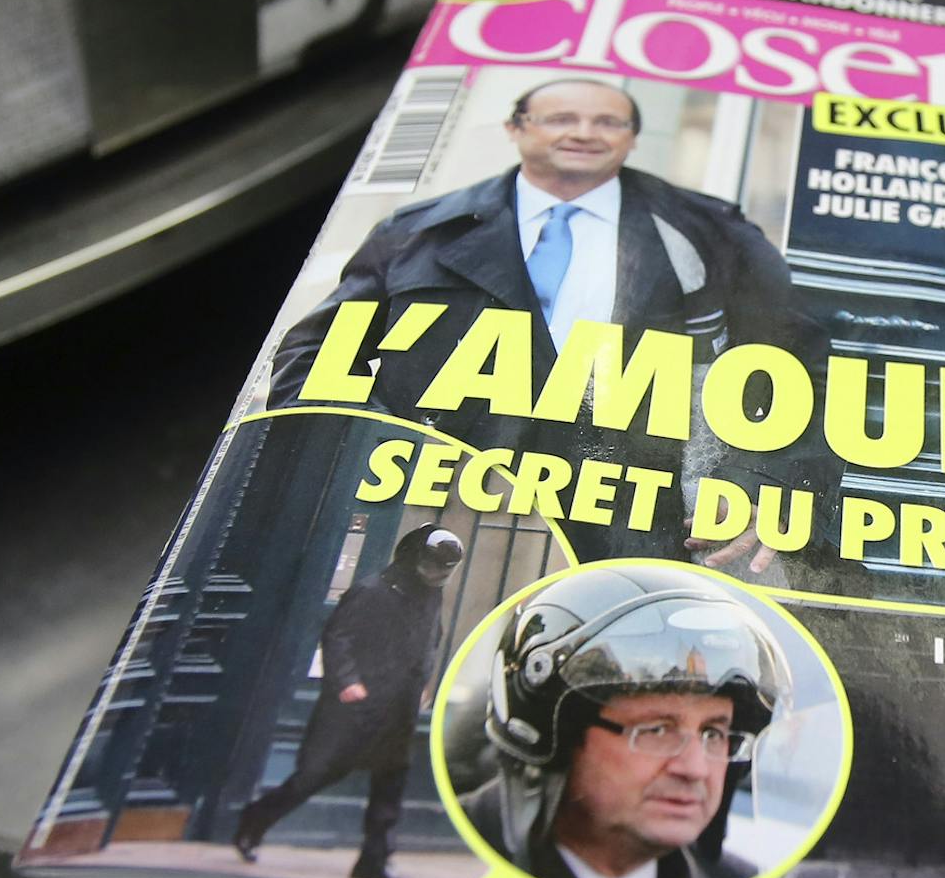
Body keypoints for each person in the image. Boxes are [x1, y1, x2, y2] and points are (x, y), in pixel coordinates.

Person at [267, 75, 833, 566]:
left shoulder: (710, 231)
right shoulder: (418, 230)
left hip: (636, 527)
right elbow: (313, 353)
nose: (584, 132)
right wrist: (354, 456)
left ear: (632, 139)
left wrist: (770, 485)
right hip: (434, 507)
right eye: (561, 118)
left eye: (608, 122)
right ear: (516, 128)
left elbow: (801, 362)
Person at [458, 564, 790, 878]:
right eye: (657, 730)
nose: (695, 769)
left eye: (713, 735)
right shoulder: (443, 853)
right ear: (559, 734)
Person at [233, 525, 464, 878]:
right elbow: (337, 636)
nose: (437, 576)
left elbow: (430, 637)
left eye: (443, 570)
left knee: (389, 784)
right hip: (356, 704)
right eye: (433, 567)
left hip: (400, 704)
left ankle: (375, 861)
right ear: (412, 557)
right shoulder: (371, 591)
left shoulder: (430, 595)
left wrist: (422, 684)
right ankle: (255, 820)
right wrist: (348, 682)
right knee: (317, 774)